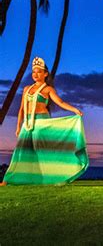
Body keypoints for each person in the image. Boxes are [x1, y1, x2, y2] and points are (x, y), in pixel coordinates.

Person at [1, 57, 88, 185]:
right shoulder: (26, 89)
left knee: (43, 152)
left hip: (42, 123)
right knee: (21, 151)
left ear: (45, 74)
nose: (36, 74)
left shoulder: (48, 89)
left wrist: (74, 110)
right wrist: (18, 127)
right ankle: (9, 179)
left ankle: (52, 176)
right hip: (28, 123)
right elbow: (21, 110)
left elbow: (60, 102)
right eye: (34, 72)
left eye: (39, 72)